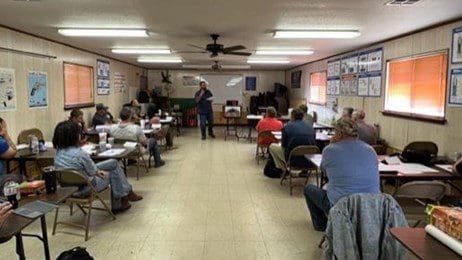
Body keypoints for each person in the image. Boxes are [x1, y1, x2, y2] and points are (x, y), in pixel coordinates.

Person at [303, 118, 380, 231]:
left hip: (342, 207)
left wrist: (331, 144)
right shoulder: (370, 150)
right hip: (371, 207)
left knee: (309, 189)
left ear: (339, 133)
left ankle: (322, 225)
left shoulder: (330, 150)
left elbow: (324, 171)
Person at [53, 120, 143, 214]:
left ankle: (126, 193)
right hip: (86, 188)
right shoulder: (80, 154)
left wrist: (97, 171)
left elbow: (90, 169)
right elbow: (92, 171)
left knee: (113, 162)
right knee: (113, 172)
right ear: (74, 136)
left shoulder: (58, 153)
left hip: (68, 189)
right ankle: (119, 203)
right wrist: (98, 172)